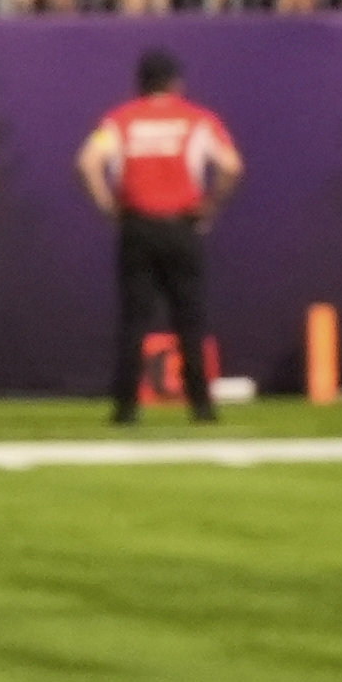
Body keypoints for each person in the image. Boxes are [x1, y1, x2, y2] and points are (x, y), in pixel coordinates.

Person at [76, 51, 242, 422]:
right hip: (182, 226)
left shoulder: (120, 121)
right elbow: (231, 166)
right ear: (175, 84)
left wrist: (107, 205)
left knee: (133, 320)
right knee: (189, 318)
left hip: (137, 226)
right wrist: (211, 204)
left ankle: (125, 408)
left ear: (140, 84)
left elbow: (87, 162)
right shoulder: (197, 119)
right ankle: (201, 406)